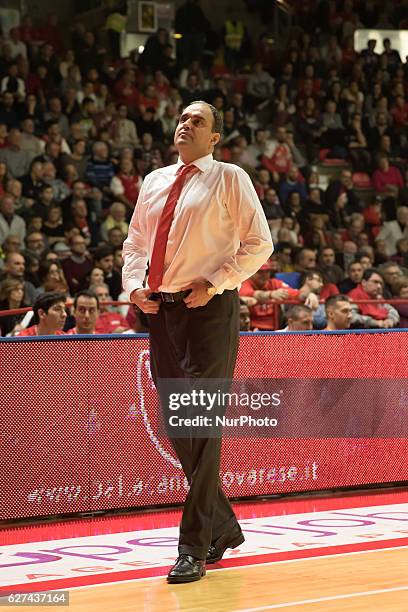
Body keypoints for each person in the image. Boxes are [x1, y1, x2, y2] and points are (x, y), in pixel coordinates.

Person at [122, 100, 272, 584]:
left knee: (202, 422)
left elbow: (259, 243)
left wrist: (217, 282)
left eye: (198, 122)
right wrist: (133, 287)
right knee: (178, 425)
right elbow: (135, 245)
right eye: (182, 119)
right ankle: (224, 525)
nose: (186, 125)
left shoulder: (230, 177)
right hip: (162, 309)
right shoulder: (154, 181)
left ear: (215, 138)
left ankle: (193, 546)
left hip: (208, 307)